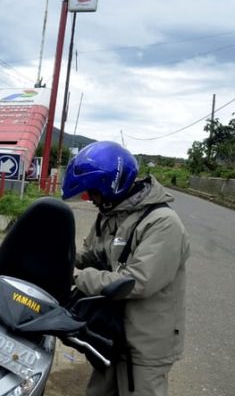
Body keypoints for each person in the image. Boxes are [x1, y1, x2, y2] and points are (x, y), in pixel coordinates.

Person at [61, 141, 190, 396]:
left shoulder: (163, 223)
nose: (90, 199)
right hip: (112, 330)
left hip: (146, 342)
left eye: (92, 192)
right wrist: (58, 258)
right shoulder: (111, 214)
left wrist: (79, 277)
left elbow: (139, 280)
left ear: (111, 185)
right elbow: (91, 253)